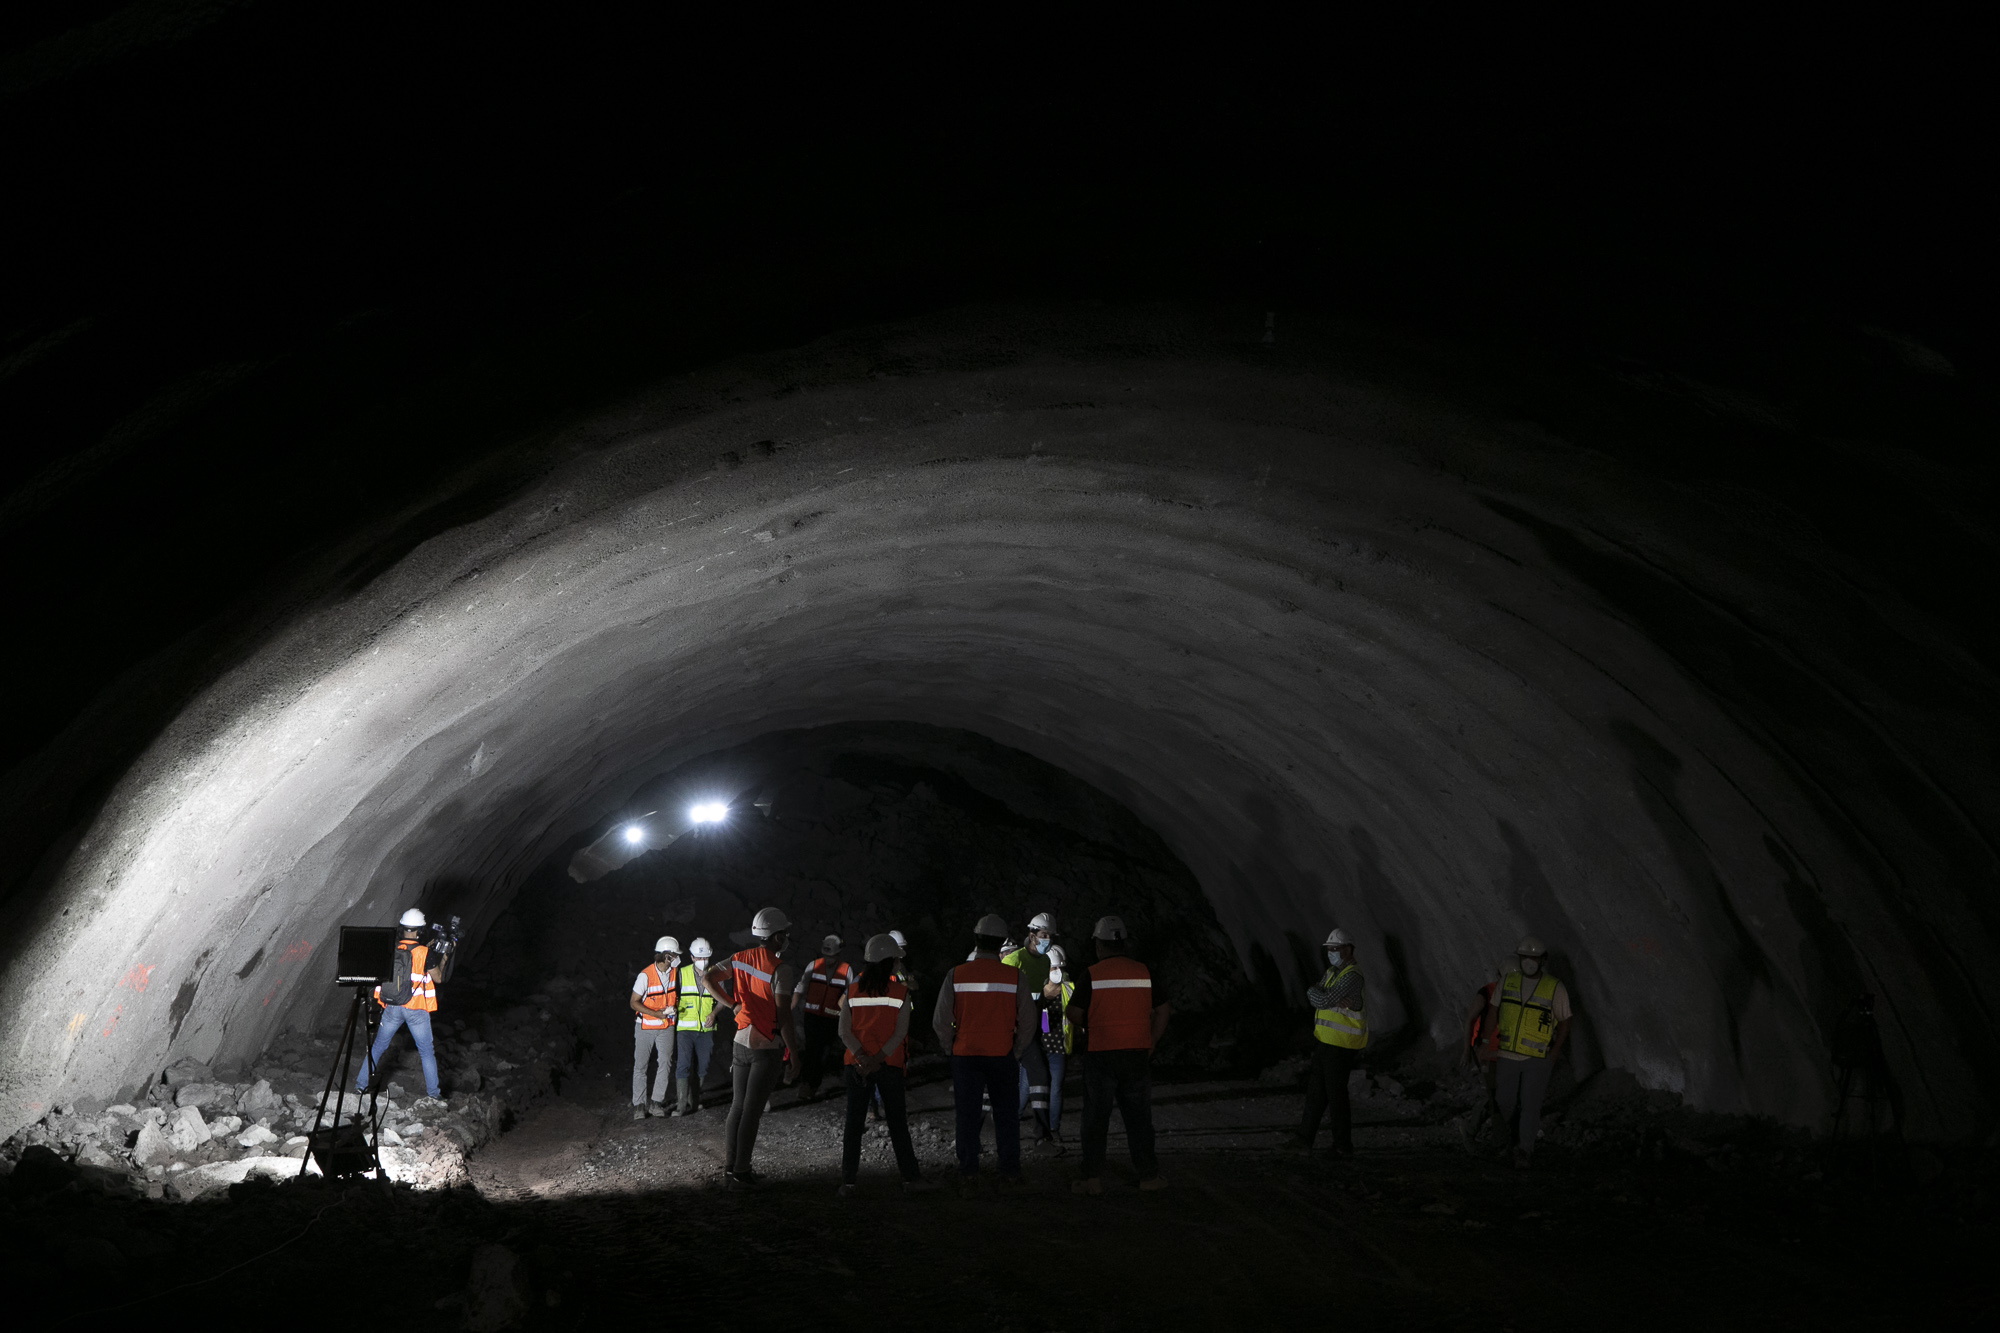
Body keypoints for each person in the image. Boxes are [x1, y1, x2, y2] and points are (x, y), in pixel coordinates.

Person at [1064, 915, 1172, 1193]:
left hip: (1101, 1054)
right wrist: (1153, 1039)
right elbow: (1163, 1009)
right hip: (1136, 1053)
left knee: (1095, 1118)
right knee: (1138, 1119)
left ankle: (1092, 1179)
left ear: (1099, 945)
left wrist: (1096, 1022)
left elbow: (1073, 1012)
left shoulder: (1092, 974)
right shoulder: (1143, 972)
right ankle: (1149, 1177)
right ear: (1123, 944)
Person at [932, 912, 1037, 1188]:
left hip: (965, 1056)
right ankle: (1010, 1171)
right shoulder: (1014, 977)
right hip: (1002, 1055)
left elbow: (940, 1020)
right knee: (1006, 1115)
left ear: (977, 940)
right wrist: (1017, 1050)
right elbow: (1028, 1020)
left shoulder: (956, 974)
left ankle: (968, 1172)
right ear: (1001, 940)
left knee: (967, 1116)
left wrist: (950, 1047)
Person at [835, 934, 942, 1197]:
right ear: (888, 962)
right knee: (897, 1124)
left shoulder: (851, 992)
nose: (898, 964)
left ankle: (848, 1183)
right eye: (896, 960)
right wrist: (876, 1059)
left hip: (857, 1066)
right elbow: (900, 1033)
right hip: (888, 1065)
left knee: (853, 1124)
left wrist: (862, 1057)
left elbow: (843, 1031)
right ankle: (911, 1177)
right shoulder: (900, 992)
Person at [706, 907, 802, 1188]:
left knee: (738, 1107)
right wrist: (794, 1053)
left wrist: (733, 1004)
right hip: (765, 1046)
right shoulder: (781, 970)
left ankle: (731, 1168)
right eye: (784, 934)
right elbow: (784, 1015)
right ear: (776, 937)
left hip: (741, 1041)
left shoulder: (739, 958)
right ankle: (742, 1171)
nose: (786, 938)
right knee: (751, 1111)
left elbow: (707, 978)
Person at [1487, 935, 1572, 1169]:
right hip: (1507, 1055)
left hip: (1537, 1057)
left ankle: (1524, 1149)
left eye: (1534, 957)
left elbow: (1565, 1021)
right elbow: (1494, 1010)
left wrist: (1554, 1052)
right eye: (1525, 957)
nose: (1529, 961)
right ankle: (1507, 1144)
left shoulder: (1554, 987)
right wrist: (1486, 1041)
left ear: (1542, 959)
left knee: (1530, 1106)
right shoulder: (1509, 982)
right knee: (1505, 1103)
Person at [1289, 927, 1365, 1158]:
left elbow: (1323, 999)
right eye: (1329, 949)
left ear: (1348, 949)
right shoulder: (1333, 973)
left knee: (1336, 1096)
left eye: (1335, 949)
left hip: (1341, 1044)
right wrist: (1316, 992)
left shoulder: (1351, 976)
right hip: (1325, 1041)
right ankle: (1304, 1140)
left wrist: (1318, 993)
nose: (1331, 953)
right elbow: (1316, 995)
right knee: (1317, 1093)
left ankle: (1342, 1146)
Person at [358, 908, 446, 1104]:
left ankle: (361, 1085)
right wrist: (443, 959)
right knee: (426, 1051)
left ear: (402, 930)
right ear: (420, 931)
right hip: (416, 1010)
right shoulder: (425, 953)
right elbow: (438, 978)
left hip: (392, 1007)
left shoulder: (392, 949)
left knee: (378, 1047)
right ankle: (433, 1093)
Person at [1002, 912, 1062, 1152]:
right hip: (1007, 1032)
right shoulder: (1013, 961)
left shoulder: (1045, 962)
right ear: (1032, 934)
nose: (1047, 939)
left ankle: (1042, 1135)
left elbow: (1038, 1001)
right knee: (998, 1084)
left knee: (1040, 1078)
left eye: (1050, 936)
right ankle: (978, 1135)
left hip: (1028, 1032)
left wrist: (1038, 1029)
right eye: (1044, 935)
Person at [795, 934, 853, 1102]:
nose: (829, 959)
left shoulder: (846, 970)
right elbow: (800, 988)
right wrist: (789, 1007)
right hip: (812, 1016)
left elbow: (849, 994)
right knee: (812, 1049)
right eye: (827, 955)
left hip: (831, 1019)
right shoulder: (813, 966)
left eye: (832, 956)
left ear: (838, 954)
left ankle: (814, 1084)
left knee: (824, 1053)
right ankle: (806, 1084)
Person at [628, 936, 681, 1119]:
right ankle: (639, 1105)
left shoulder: (674, 973)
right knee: (640, 1066)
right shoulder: (645, 975)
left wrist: (673, 1008)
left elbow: (673, 996)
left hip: (666, 1026)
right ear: (666, 956)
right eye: (674, 955)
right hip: (645, 1026)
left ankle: (656, 1102)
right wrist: (656, 1014)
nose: (676, 958)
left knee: (665, 1063)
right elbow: (633, 1003)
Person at [1459, 961, 1508, 1149]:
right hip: (1486, 1052)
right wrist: (1466, 1050)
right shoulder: (1487, 993)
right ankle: (1501, 1144)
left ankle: (1471, 1129)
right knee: (1497, 1095)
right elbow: (1470, 1020)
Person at [673, 937, 721, 1116]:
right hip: (685, 1028)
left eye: (706, 958)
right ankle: (681, 1105)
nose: (703, 961)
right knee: (683, 1065)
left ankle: (695, 1101)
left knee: (703, 1066)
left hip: (706, 1030)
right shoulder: (681, 973)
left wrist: (714, 1014)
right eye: (699, 958)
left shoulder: (716, 974)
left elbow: (723, 1000)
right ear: (692, 957)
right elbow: (673, 996)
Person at [1042, 944, 1073, 1142]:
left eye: (1058, 968)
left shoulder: (1069, 988)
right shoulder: (1036, 987)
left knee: (1055, 1090)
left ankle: (1053, 1129)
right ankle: (1014, 1119)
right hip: (1038, 1046)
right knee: (1026, 1088)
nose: (1056, 972)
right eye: (1053, 968)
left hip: (1058, 1047)